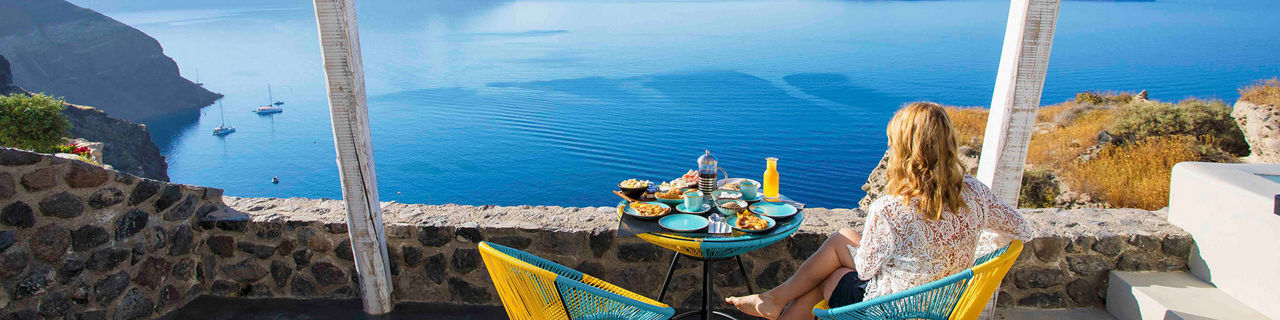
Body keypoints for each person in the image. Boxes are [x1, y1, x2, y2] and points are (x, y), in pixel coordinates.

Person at [726, 102, 1033, 320]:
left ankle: (773, 301)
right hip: (947, 301)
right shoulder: (975, 192)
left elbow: (866, 270)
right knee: (841, 237)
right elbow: (1021, 229)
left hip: (892, 308)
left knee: (829, 275)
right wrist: (968, 250)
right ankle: (771, 300)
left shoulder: (892, 208)